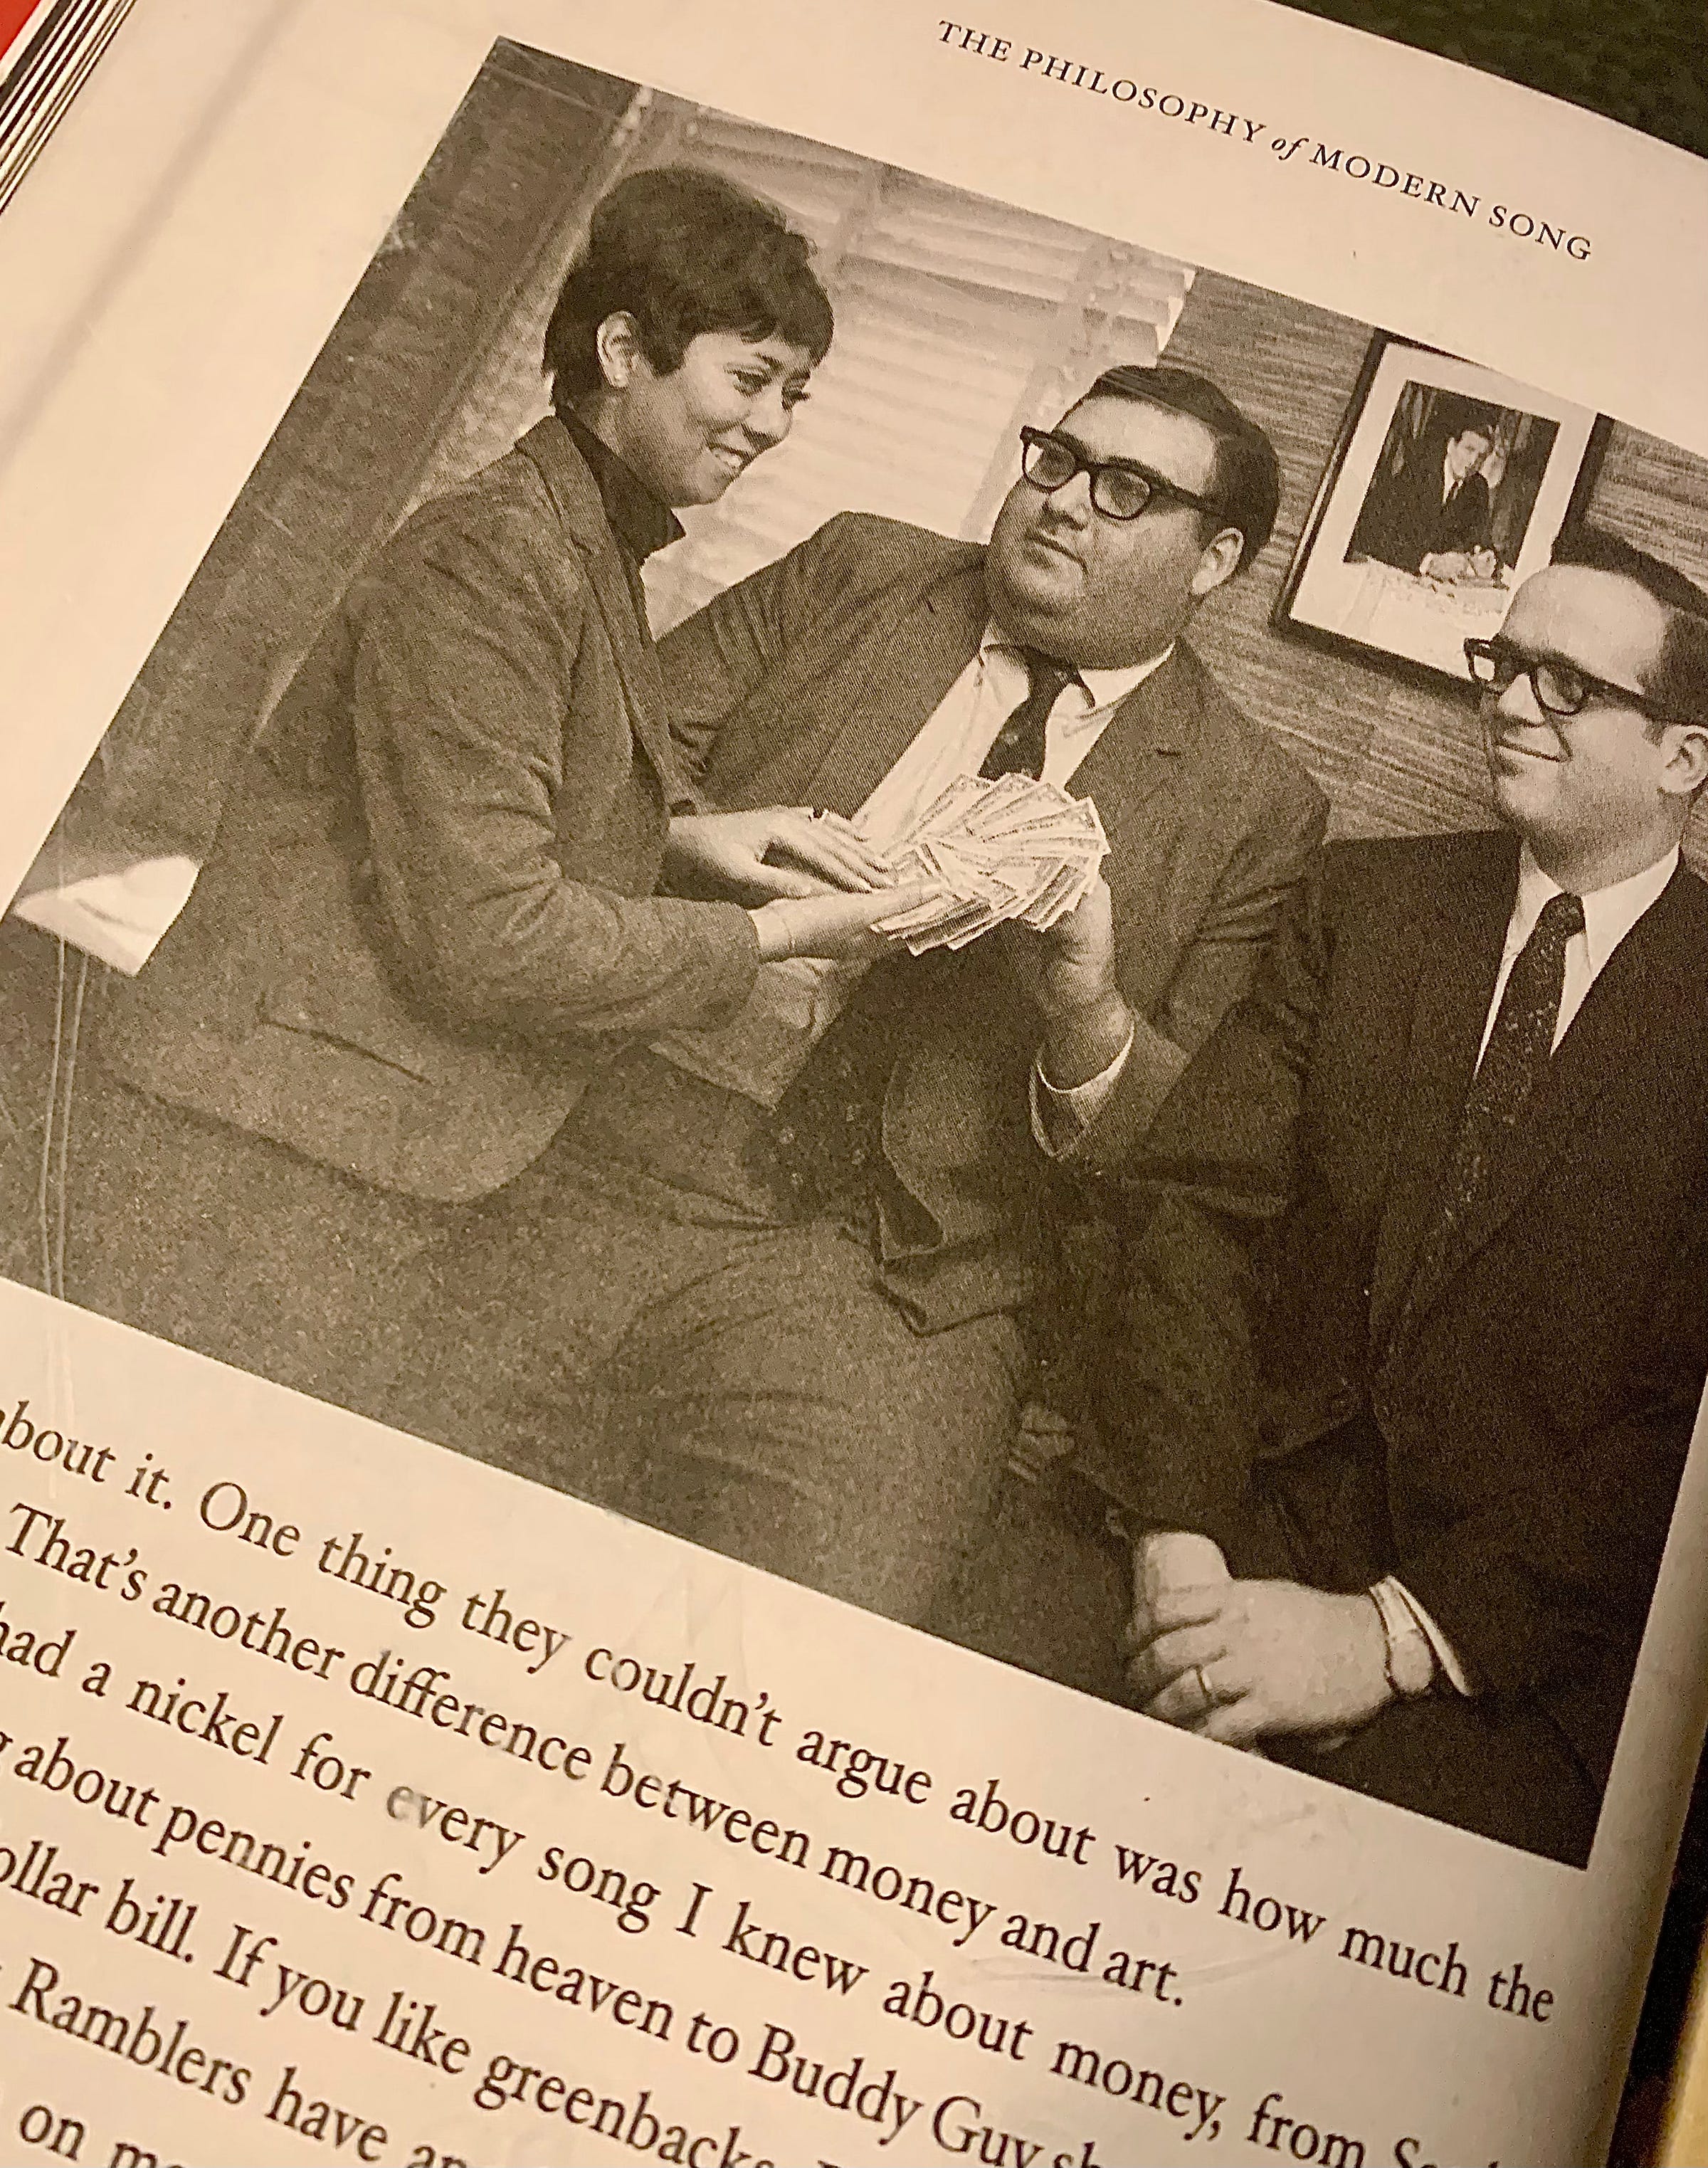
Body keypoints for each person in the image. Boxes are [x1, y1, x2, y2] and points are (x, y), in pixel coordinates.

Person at [417, 362, 1326, 1630]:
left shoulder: (1254, 804)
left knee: (810, 1648)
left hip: (906, 1282)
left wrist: (1089, 1004)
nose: (1062, 502)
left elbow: (1187, 1144)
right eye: (1054, 461)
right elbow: (602, 763)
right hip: (625, 1142)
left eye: (1124, 490)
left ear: (1213, 558)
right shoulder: (861, 571)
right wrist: (702, 832)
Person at [64, 164, 922, 1409]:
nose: (776, 425)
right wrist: (781, 932)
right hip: (264, 1146)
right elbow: (488, 936)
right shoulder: (499, 550)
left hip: (342, 1137)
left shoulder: (585, 537)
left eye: (797, 393)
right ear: (624, 349)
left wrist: (690, 835)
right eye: (751, 379)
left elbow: (500, 794)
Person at [1107, 529, 1708, 1865]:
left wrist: (1396, 1634)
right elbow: (1197, 1221)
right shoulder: (1363, 905)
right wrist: (1183, 1538)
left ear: (1686, 757)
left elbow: (1687, 1433)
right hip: (1229, 1515)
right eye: (1505, 663)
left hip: (1517, 1644)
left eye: (1566, 684)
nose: (1506, 699)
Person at [1352, 413, 1496, 579]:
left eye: (1481, 457)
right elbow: (1373, 532)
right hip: (1391, 572)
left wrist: (1483, 555)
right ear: (1451, 446)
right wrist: (1427, 562)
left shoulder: (1478, 488)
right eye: (1469, 450)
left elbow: (1478, 536)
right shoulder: (1417, 471)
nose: (1473, 462)